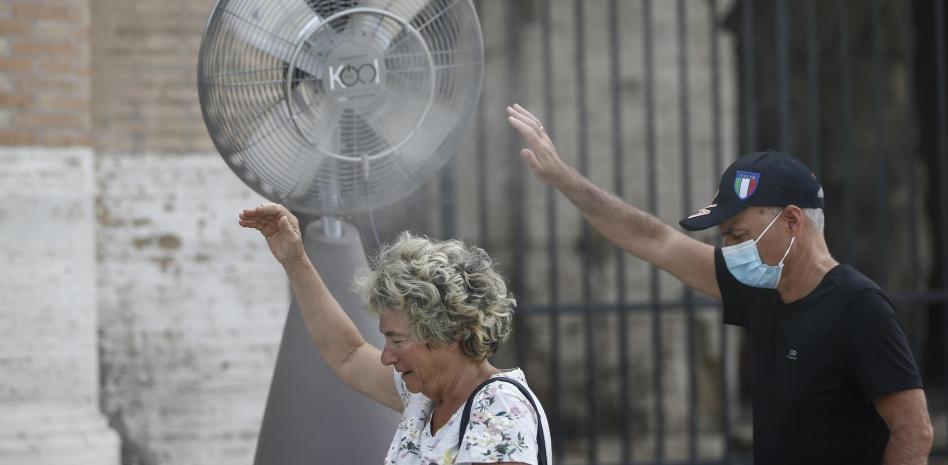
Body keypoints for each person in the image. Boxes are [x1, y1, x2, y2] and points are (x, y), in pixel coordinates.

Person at [506, 103, 933, 464]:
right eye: (723, 236)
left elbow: (914, 432)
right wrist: (566, 180)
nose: (729, 248)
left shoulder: (858, 306)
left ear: (791, 221)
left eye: (738, 234)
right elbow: (654, 239)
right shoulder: (762, 288)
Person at [239, 203, 552, 465]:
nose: (387, 356)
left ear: (449, 333)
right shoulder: (424, 395)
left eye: (398, 340)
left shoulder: (500, 409)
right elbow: (347, 354)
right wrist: (295, 261)